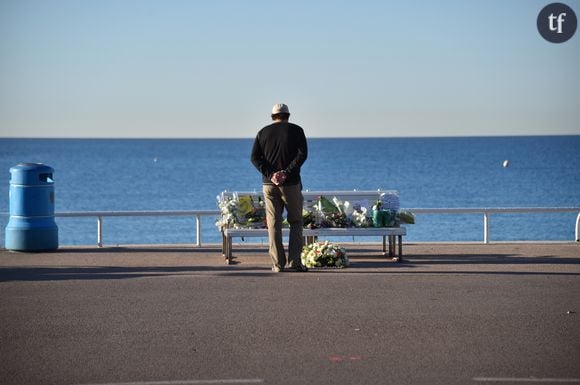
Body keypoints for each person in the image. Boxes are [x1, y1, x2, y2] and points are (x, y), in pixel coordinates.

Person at [251, 103, 308, 273]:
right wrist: (285, 173)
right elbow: (302, 155)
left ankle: (277, 264)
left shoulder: (263, 132)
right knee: (296, 222)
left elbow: (254, 158)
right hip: (291, 184)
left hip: (269, 185)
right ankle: (295, 262)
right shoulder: (297, 131)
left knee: (274, 224)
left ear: (272, 116)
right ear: (288, 115)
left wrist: (271, 174)